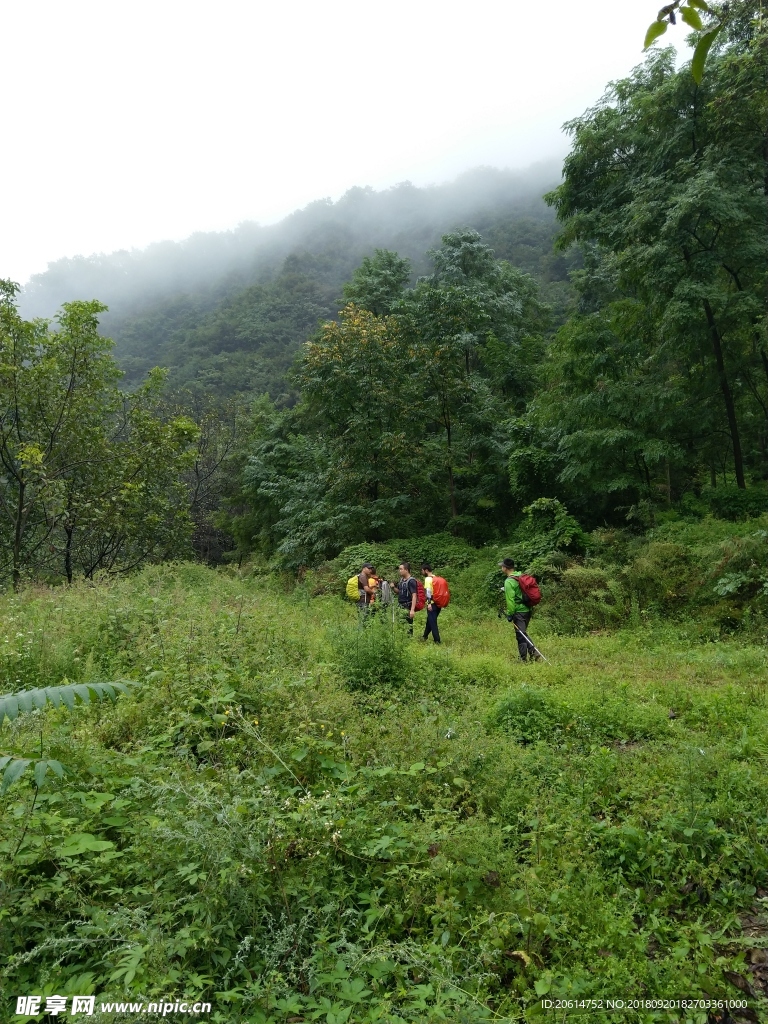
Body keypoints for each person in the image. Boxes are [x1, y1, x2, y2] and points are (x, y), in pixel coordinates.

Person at [500, 557, 538, 661]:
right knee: (522, 632)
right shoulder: (519, 576)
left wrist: (510, 614)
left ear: (505, 568)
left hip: (519, 611)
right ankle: (526, 657)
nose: (501, 568)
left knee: (521, 634)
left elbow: (510, 600)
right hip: (527, 609)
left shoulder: (508, 581)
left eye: (502, 566)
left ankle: (531, 654)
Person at [420, 562, 441, 644]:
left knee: (433, 622)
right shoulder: (436, 578)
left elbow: (428, 592)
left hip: (432, 603)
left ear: (426, 570)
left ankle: (437, 640)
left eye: (422, 570)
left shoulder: (428, 579)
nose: (421, 572)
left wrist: (428, 603)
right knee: (430, 620)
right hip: (438, 603)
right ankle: (424, 636)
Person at [397, 562, 418, 635]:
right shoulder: (401, 580)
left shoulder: (411, 581)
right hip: (400, 605)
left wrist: (412, 610)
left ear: (406, 570)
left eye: (401, 569)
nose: (400, 571)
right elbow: (399, 592)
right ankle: (403, 641)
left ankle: (409, 642)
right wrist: (393, 587)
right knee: (401, 625)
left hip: (407, 605)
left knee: (408, 626)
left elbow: (414, 595)